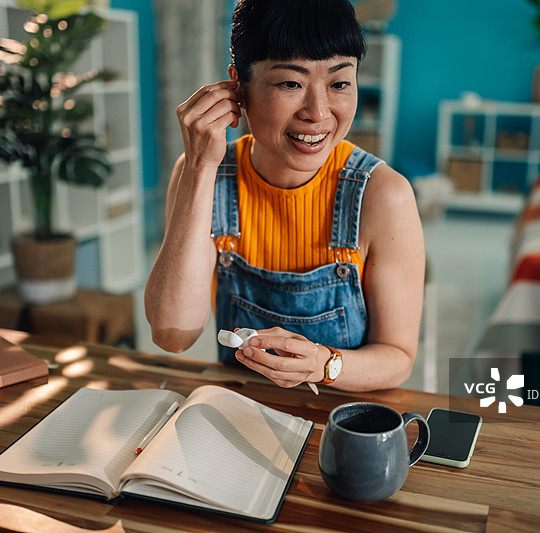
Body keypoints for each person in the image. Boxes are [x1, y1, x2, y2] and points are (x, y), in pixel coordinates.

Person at [145, 0, 424, 392]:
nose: (318, 113)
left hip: (339, 418)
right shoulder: (202, 175)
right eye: (291, 84)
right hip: (237, 409)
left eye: (339, 84)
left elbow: (398, 358)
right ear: (237, 87)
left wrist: (322, 364)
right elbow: (172, 334)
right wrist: (200, 166)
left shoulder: (384, 195)